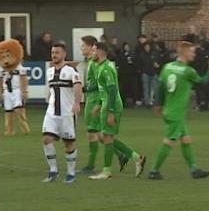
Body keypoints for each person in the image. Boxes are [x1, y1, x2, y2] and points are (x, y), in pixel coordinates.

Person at [148, 41, 209, 180]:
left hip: (169, 109)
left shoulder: (167, 67)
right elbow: (203, 82)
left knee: (185, 139)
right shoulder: (187, 71)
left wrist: (158, 105)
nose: (194, 54)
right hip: (176, 112)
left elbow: (160, 87)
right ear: (184, 53)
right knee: (168, 141)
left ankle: (194, 169)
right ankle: (154, 170)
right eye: (191, 51)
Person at [87, 42, 147, 180]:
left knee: (107, 137)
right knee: (104, 136)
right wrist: (98, 104)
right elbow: (105, 90)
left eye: (94, 50)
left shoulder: (106, 68)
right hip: (106, 104)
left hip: (111, 106)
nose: (92, 53)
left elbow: (113, 90)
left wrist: (111, 111)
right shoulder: (101, 66)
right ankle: (136, 158)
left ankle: (107, 171)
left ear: (101, 52)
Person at [41, 42, 82, 183]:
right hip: (51, 112)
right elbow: (51, 89)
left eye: (57, 52)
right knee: (46, 139)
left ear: (64, 54)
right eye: (52, 53)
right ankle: (53, 170)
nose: (54, 55)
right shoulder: (49, 72)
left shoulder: (71, 71)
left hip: (67, 113)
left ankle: (71, 173)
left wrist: (77, 102)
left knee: (68, 143)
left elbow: (77, 86)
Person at [79, 36, 104, 175]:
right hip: (91, 100)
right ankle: (125, 155)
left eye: (83, 46)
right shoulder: (90, 62)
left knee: (91, 133)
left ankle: (90, 165)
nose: (81, 48)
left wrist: (83, 88)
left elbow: (99, 84)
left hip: (94, 101)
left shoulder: (94, 63)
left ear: (90, 47)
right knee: (100, 136)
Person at [0, 58, 30, 136]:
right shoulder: (2, 68)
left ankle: (25, 128)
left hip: (17, 90)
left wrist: (24, 91)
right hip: (7, 91)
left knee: (19, 110)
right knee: (8, 111)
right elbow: (0, 80)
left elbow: (24, 80)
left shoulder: (20, 68)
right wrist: (0, 91)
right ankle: (9, 130)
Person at [115, 41, 139, 108]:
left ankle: (133, 103)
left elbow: (136, 63)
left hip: (131, 74)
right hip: (123, 75)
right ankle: (122, 103)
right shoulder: (121, 55)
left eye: (127, 46)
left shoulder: (132, 55)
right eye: (126, 46)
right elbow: (118, 64)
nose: (127, 48)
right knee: (123, 89)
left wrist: (131, 61)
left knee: (133, 89)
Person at [138, 41, 159, 107]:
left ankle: (156, 102)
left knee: (156, 89)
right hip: (145, 73)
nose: (147, 48)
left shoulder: (154, 54)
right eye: (146, 47)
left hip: (153, 73)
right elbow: (140, 64)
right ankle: (147, 103)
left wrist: (157, 65)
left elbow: (157, 62)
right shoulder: (142, 55)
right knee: (146, 89)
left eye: (148, 47)